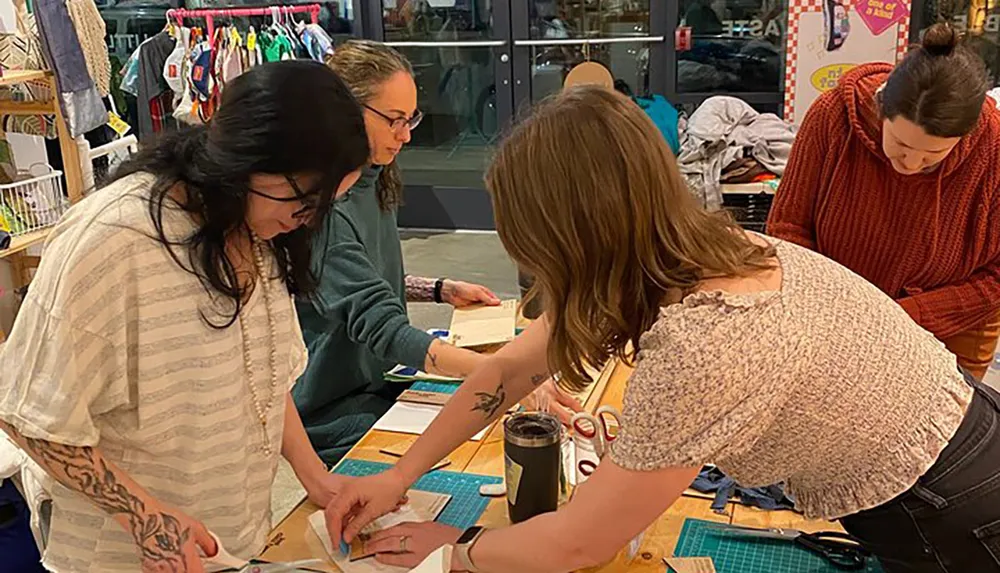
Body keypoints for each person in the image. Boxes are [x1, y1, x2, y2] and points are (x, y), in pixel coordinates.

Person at [323, 86, 1000, 573]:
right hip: (961, 443)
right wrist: (401, 476)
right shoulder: (678, 248)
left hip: (947, 501)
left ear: (574, 238)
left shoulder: (705, 341)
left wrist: (453, 554)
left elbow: (577, 543)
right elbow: (508, 368)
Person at [0, 61, 369, 573]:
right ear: (245, 160)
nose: (304, 221)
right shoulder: (114, 240)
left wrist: (318, 480)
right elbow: (29, 416)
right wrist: (146, 518)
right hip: (123, 559)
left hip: (231, 546)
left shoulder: (254, 230)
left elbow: (263, 381)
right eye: (302, 200)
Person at [293, 40, 511, 466]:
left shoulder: (372, 176)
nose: (406, 134)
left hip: (372, 382)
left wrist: (439, 290)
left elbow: (362, 278)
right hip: (333, 411)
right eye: (394, 119)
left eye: (411, 118)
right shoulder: (327, 208)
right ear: (344, 112)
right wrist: (492, 374)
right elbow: (380, 325)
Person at [767, 23, 1000, 379]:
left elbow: (996, 277)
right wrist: (831, 305)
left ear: (965, 137)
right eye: (901, 145)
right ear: (881, 109)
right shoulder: (833, 116)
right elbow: (788, 228)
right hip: (837, 317)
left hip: (952, 326)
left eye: (932, 155)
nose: (910, 164)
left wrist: (909, 314)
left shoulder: (994, 147)